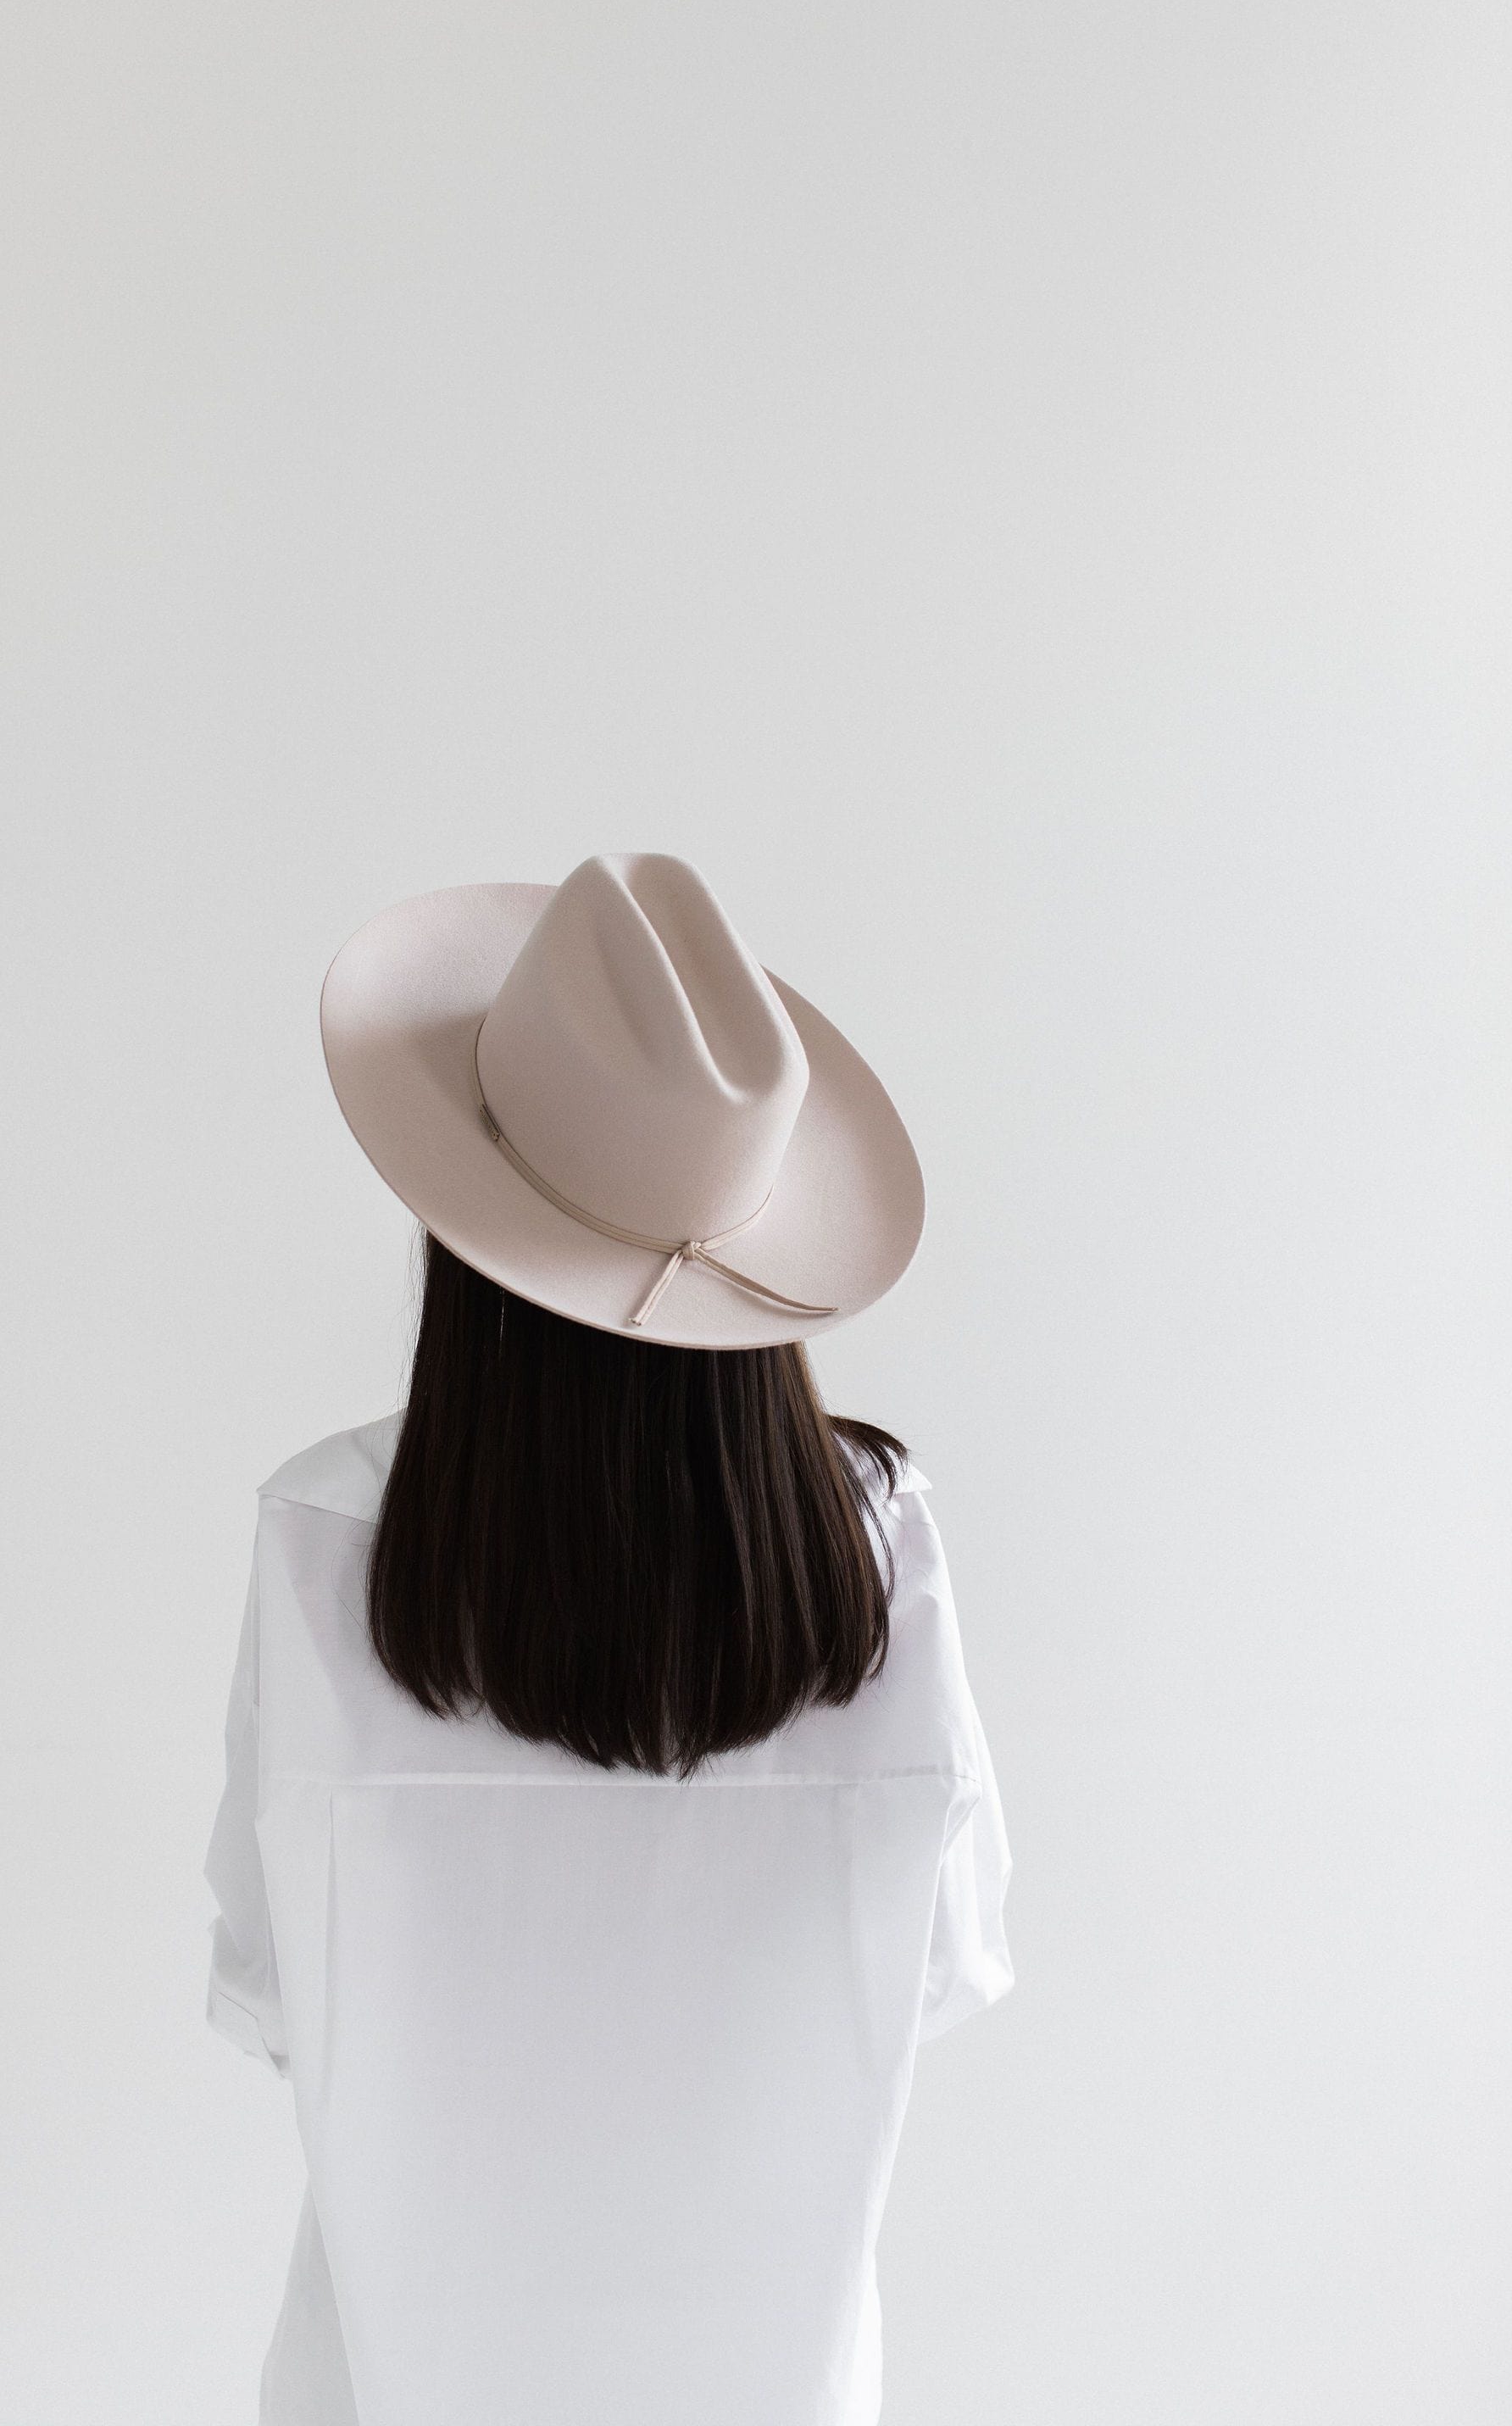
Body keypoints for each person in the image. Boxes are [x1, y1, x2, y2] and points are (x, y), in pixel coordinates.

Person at [204, 851, 1014, 2426]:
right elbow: (947, 1964)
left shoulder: (325, 1543)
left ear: (462, 1228)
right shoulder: (879, 1551)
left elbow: (269, 1987)